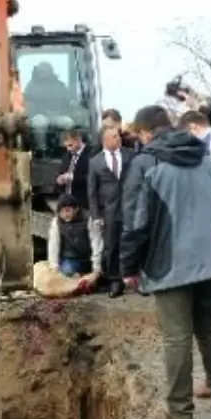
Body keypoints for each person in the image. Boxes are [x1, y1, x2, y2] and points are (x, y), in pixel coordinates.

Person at [119, 104, 211, 419]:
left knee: (177, 338)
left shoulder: (147, 165)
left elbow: (136, 222)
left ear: (147, 133)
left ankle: (180, 413)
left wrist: (128, 266)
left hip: (170, 266)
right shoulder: (208, 161)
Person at [86, 125, 134, 297]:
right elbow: (91, 191)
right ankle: (115, 281)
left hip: (130, 208)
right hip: (109, 211)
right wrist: (96, 215)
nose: (118, 138)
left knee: (133, 242)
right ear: (104, 140)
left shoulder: (131, 155)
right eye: (113, 136)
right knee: (112, 247)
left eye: (118, 136)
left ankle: (137, 278)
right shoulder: (95, 162)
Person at [46, 194, 97, 277]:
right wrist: (54, 266)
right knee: (67, 271)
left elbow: (96, 242)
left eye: (68, 211)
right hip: (70, 258)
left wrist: (96, 267)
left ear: (76, 209)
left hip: (88, 257)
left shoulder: (88, 219)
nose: (65, 215)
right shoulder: (57, 222)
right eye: (62, 212)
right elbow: (53, 244)